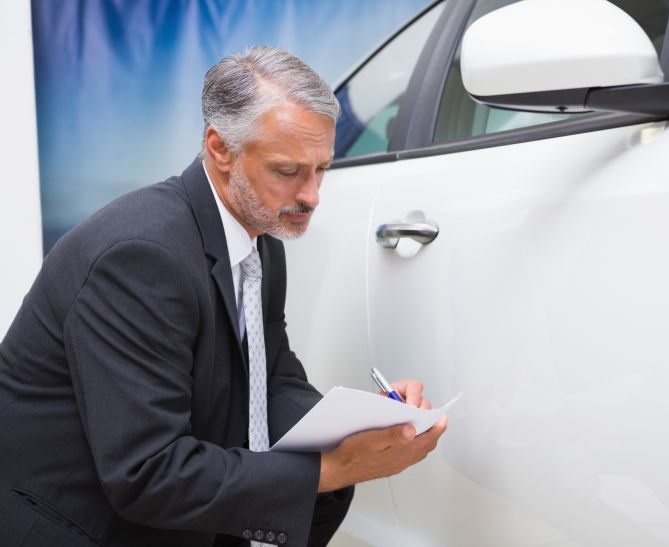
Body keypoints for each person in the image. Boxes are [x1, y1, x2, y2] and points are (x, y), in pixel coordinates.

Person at [0, 46, 447, 547]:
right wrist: (331, 469)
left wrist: (364, 427)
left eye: (321, 168)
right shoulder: (140, 258)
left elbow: (269, 378)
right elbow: (147, 472)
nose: (312, 195)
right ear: (219, 147)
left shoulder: (258, 228)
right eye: (288, 170)